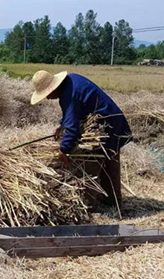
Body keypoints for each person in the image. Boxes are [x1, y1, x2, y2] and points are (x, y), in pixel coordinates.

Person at [30, 70, 132, 208]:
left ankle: (102, 203)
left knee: (96, 164)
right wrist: (62, 126)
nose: (47, 98)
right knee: (104, 163)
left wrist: (63, 149)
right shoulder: (71, 81)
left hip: (109, 125)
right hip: (106, 122)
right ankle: (109, 199)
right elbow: (74, 112)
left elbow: (73, 128)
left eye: (47, 94)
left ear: (53, 88)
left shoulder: (68, 94)